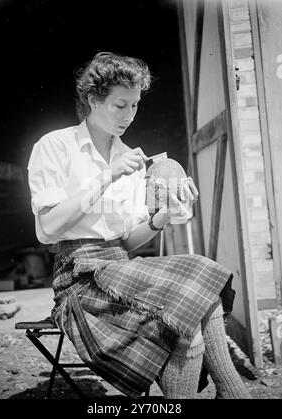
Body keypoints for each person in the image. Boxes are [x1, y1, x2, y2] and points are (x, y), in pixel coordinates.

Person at [27, 51, 251, 399]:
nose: (129, 116)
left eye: (134, 106)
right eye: (120, 105)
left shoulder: (128, 157)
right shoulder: (55, 147)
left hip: (120, 269)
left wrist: (163, 216)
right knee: (187, 319)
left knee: (200, 276)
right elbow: (47, 230)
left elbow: (129, 242)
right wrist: (104, 178)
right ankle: (234, 393)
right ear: (92, 99)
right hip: (79, 278)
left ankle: (231, 391)